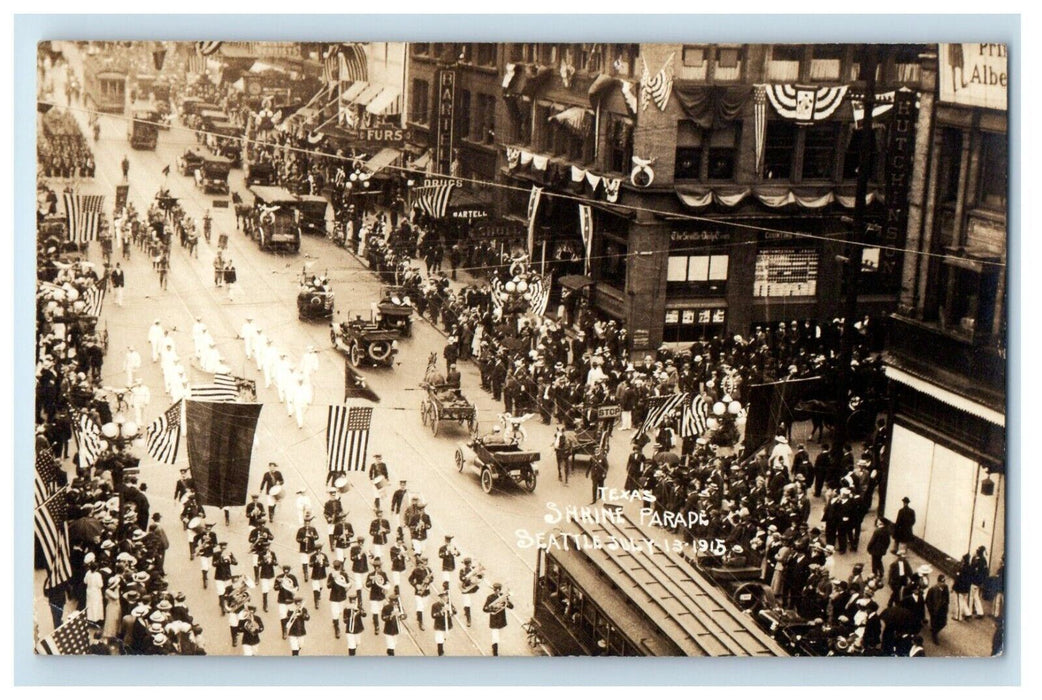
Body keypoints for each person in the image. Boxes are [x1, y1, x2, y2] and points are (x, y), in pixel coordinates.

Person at [483, 583, 514, 656]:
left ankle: (494, 647)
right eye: (496, 590)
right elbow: (485, 609)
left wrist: (506, 603)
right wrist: (494, 607)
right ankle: (495, 652)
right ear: (494, 590)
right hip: (494, 620)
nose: (497, 591)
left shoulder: (503, 596)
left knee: (500, 637)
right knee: (495, 637)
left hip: (502, 620)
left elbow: (511, 606)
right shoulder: (490, 598)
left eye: (499, 590)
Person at [926, 574, 951, 645]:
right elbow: (928, 600)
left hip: (942, 609)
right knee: (935, 623)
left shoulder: (945, 587)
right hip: (935, 610)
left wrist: (946, 606)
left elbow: (947, 598)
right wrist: (931, 610)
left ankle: (934, 630)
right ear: (938, 582)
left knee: (943, 623)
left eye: (943, 582)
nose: (942, 584)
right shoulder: (932, 589)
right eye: (941, 582)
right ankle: (934, 635)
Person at [431, 588, 457, 656]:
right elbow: (433, 615)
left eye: (446, 597)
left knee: (445, 638)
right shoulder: (435, 605)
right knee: (439, 640)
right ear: (440, 598)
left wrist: (450, 609)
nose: (445, 599)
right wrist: (441, 612)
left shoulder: (449, 603)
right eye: (443, 597)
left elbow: (455, 611)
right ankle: (440, 652)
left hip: (447, 625)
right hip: (439, 625)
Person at [969, 546, 989, 619]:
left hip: (974, 581)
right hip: (979, 582)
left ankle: (969, 612)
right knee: (976, 597)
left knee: (971, 597)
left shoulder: (978, 560)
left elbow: (972, 568)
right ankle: (980, 612)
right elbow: (985, 572)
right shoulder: (984, 560)